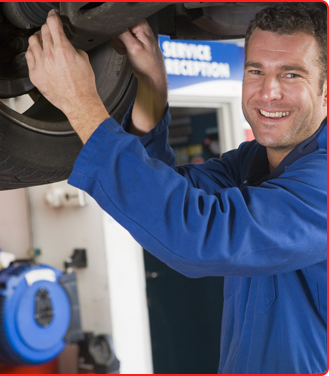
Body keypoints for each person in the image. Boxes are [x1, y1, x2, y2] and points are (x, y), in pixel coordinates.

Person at [26, 3, 327, 374]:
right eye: (255, 71)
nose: (268, 92)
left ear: (326, 89)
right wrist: (152, 87)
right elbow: (166, 198)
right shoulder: (254, 162)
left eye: (291, 74)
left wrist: (81, 105)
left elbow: (199, 235)